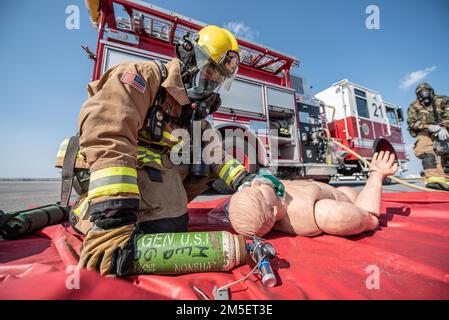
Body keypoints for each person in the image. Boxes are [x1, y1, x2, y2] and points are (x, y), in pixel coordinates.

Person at [55, 25, 283, 276]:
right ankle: (89, 212)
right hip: (103, 166)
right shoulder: (143, 76)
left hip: (147, 168)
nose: (211, 83)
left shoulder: (190, 110)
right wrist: (114, 215)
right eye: (209, 71)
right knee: (163, 226)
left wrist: (246, 179)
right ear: (190, 58)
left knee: (198, 173)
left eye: (218, 79)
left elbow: (215, 154)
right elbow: (108, 134)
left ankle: (154, 209)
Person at [227, 151, 398, 237]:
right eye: (259, 192)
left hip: (333, 194)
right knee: (352, 200)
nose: (255, 183)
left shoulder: (273, 195)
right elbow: (369, 218)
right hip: (347, 201)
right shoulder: (321, 213)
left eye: (248, 187)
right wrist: (376, 175)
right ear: (272, 211)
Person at [407, 83, 449, 191]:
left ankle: (447, 177)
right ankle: (435, 179)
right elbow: (411, 123)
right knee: (424, 149)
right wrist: (428, 126)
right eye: (420, 94)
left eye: (426, 92)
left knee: (445, 152)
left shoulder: (443, 100)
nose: (424, 95)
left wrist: (443, 127)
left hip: (444, 131)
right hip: (425, 132)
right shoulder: (414, 106)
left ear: (431, 92)